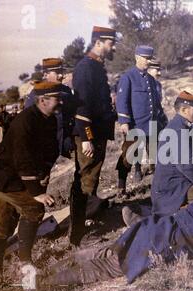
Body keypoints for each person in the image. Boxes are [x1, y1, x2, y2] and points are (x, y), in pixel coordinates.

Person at [42, 163, 193, 287]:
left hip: (155, 227)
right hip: (162, 243)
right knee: (109, 267)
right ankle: (43, 285)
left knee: (107, 251)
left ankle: (46, 271)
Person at [0, 82, 64, 270]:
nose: (60, 102)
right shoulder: (25, 121)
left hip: (17, 178)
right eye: (57, 98)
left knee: (5, 219)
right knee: (34, 208)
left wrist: (44, 172)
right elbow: (22, 158)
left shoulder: (50, 119)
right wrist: (37, 192)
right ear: (43, 100)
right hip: (5, 177)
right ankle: (25, 263)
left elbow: (52, 150)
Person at [68, 26, 117, 246]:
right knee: (84, 180)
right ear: (98, 42)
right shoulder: (87, 68)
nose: (112, 46)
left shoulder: (96, 66)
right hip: (90, 134)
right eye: (109, 42)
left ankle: (84, 226)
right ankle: (77, 236)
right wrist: (86, 137)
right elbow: (82, 106)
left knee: (92, 179)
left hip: (98, 133)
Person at [151, 91, 193, 216]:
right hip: (174, 188)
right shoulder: (179, 131)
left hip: (176, 182)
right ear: (184, 109)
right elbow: (186, 165)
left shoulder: (178, 125)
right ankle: (171, 218)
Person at [115, 45, 167, 190]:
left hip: (152, 124)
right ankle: (121, 186)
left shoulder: (151, 80)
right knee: (128, 155)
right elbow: (122, 101)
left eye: (150, 58)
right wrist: (124, 121)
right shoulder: (128, 77)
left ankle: (157, 184)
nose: (148, 61)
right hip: (136, 124)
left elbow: (155, 103)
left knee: (155, 155)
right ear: (137, 57)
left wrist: (161, 119)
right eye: (145, 58)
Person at [25, 58, 76, 157]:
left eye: (61, 71)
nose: (62, 75)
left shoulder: (66, 91)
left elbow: (72, 116)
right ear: (45, 75)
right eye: (57, 72)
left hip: (66, 145)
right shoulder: (36, 94)